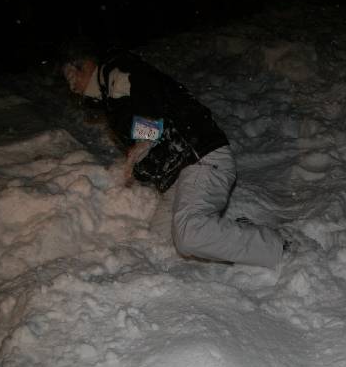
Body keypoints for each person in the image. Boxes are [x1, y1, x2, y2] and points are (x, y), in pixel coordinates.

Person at [62, 47, 286, 269]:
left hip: (198, 157)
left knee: (190, 235)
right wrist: (140, 163)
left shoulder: (115, 70)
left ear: (87, 65)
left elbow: (150, 104)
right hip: (175, 177)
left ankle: (279, 249)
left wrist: (142, 142)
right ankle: (242, 233)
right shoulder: (108, 95)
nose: (72, 85)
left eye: (72, 75)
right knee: (160, 241)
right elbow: (144, 131)